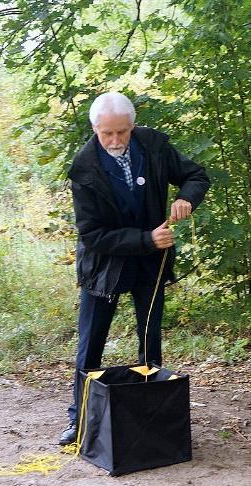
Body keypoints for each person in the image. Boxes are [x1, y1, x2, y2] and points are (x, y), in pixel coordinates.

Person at [59, 92, 210, 445]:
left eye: (122, 132)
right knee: (90, 346)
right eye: (107, 133)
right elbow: (93, 235)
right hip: (104, 267)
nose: (115, 141)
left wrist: (186, 196)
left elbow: (196, 175)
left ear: (133, 125)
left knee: (149, 342)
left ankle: (150, 416)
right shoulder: (84, 169)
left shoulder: (153, 145)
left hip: (150, 266)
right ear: (95, 128)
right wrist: (145, 239)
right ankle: (79, 419)